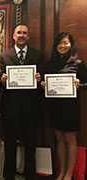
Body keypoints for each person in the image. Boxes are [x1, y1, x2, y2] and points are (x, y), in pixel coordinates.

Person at [0, 24, 44, 180]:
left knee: (30, 142)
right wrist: (3, 80)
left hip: (31, 107)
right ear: (13, 35)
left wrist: (39, 79)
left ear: (28, 37)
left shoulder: (38, 55)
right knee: (10, 142)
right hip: (10, 107)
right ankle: (8, 173)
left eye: (25, 33)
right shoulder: (4, 56)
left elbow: (44, 80)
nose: (22, 35)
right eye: (19, 33)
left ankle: (30, 173)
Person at [41, 32, 87, 180]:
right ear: (56, 46)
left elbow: (86, 84)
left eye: (66, 43)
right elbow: (45, 83)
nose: (62, 46)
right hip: (55, 106)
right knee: (59, 139)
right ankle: (61, 172)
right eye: (60, 43)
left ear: (71, 45)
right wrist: (43, 85)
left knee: (70, 139)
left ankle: (69, 173)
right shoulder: (50, 64)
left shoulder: (78, 63)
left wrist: (79, 85)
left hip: (70, 108)